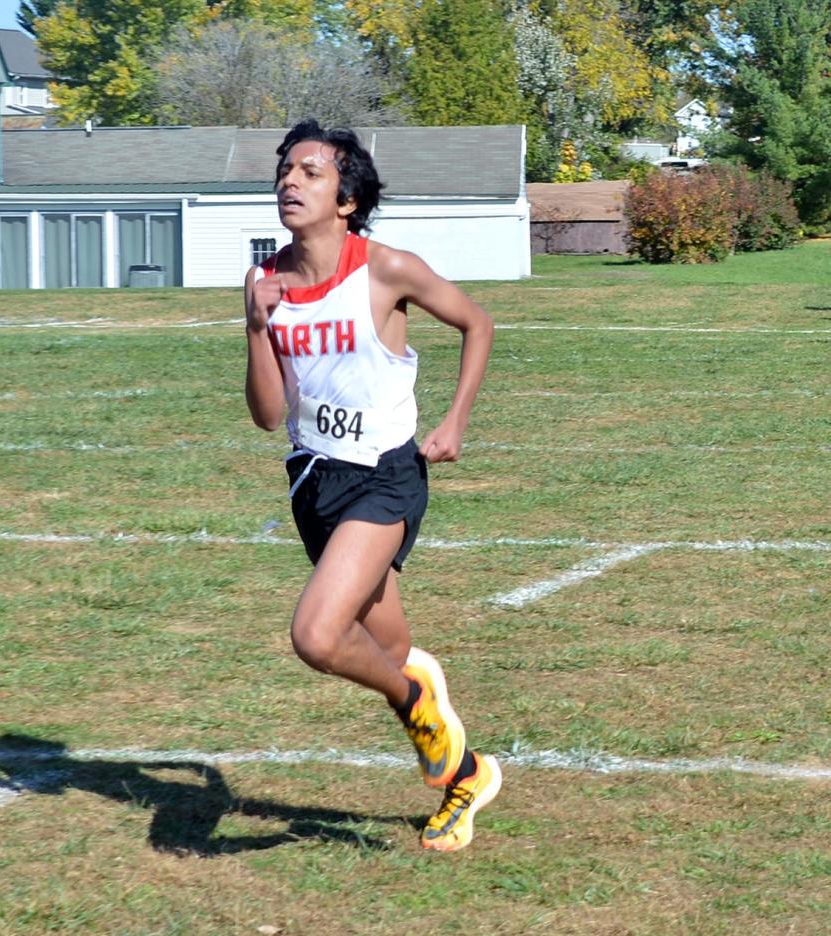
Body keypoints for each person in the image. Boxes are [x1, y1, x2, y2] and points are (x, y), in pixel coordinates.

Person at [244, 119, 500, 852]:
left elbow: (477, 324)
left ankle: (418, 704)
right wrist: (257, 327)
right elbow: (268, 414)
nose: (290, 182)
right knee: (385, 655)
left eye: (311, 172)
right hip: (313, 486)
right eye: (285, 172)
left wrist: (453, 423)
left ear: (347, 198)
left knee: (319, 636)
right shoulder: (265, 284)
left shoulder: (386, 269)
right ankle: (469, 775)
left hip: (384, 479)